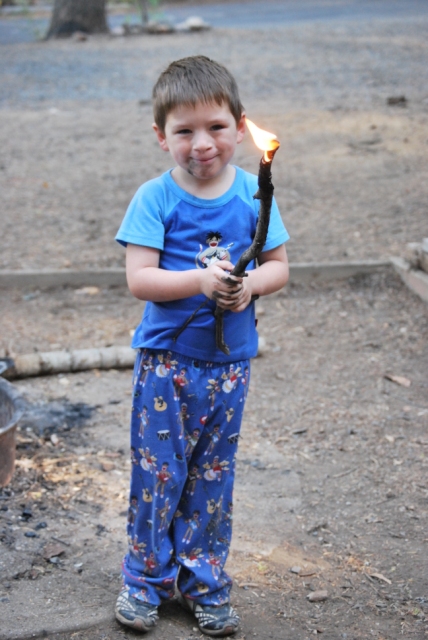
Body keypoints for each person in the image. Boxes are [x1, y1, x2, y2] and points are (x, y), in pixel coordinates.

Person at [114, 55, 289, 637]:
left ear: (239, 127)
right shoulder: (155, 198)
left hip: (229, 366)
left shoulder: (254, 195)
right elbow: (141, 279)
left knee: (213, 475)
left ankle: (204, 582)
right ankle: (144, 581)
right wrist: (199, 281)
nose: (203, 143)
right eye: (184, 131)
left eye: (216, 127)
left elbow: (278, 267)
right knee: (159, 474)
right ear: (161, 137)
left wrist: (248, 287)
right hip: (166, 364)